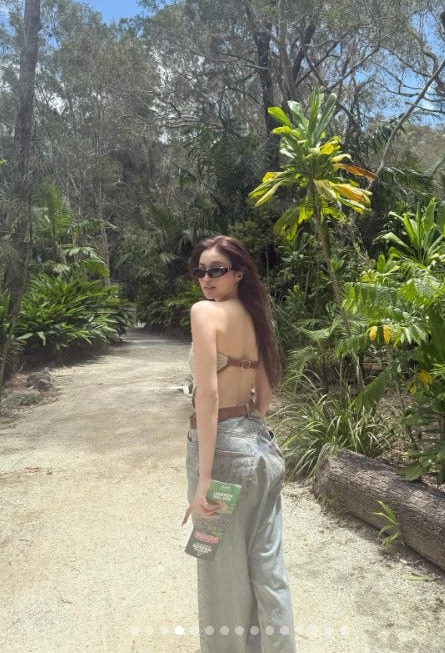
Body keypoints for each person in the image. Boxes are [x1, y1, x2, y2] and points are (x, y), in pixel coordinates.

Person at [183, 235, 296, 652]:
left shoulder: (204, 313)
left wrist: (204, 480)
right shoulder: (254, 316)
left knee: (219, 572)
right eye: (200, 271)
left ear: (239, 273)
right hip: (259, 444)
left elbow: (208, 397)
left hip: (222, 454)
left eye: (216, 270)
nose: (206, 279)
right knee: (267, 568)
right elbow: (263, 398)